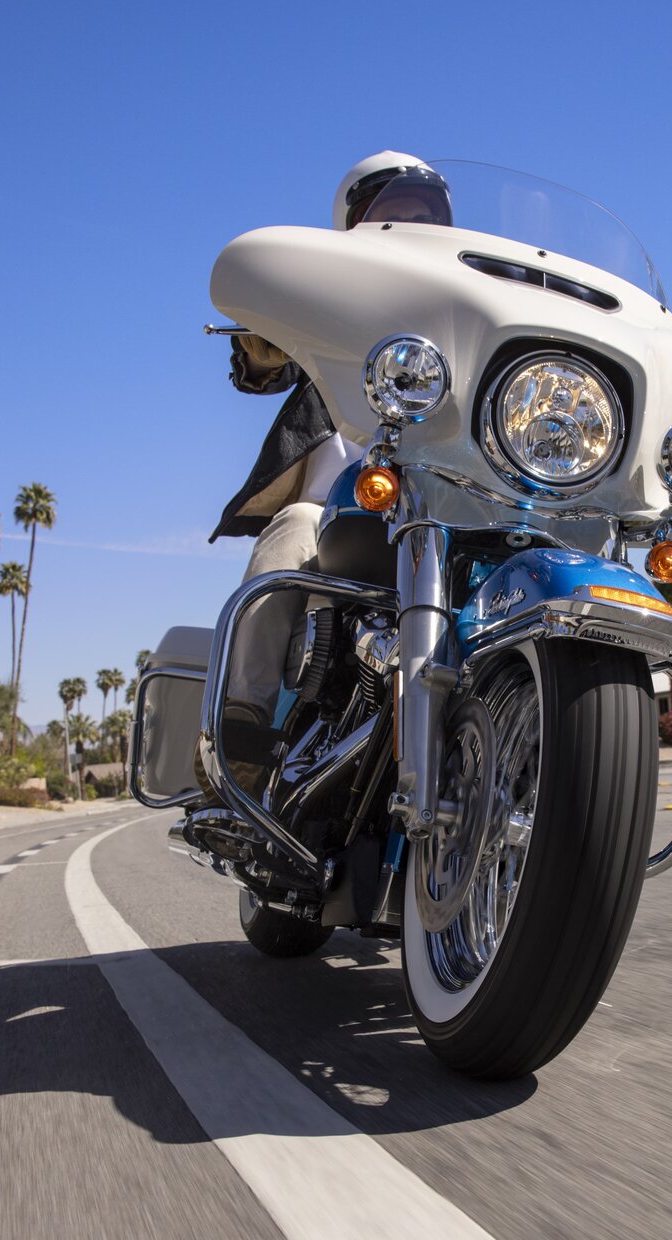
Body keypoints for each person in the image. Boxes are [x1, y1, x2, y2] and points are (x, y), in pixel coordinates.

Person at [205, 153, 450, 787]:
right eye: (393, 210)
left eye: (425, 212)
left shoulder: (457, 309)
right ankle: (242, 726)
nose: (410, 222)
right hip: (335, 521)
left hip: (436, 516)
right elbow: (263, 366)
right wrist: (262, 342)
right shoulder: (329, 299)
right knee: (291, 527)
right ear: (355, 218)